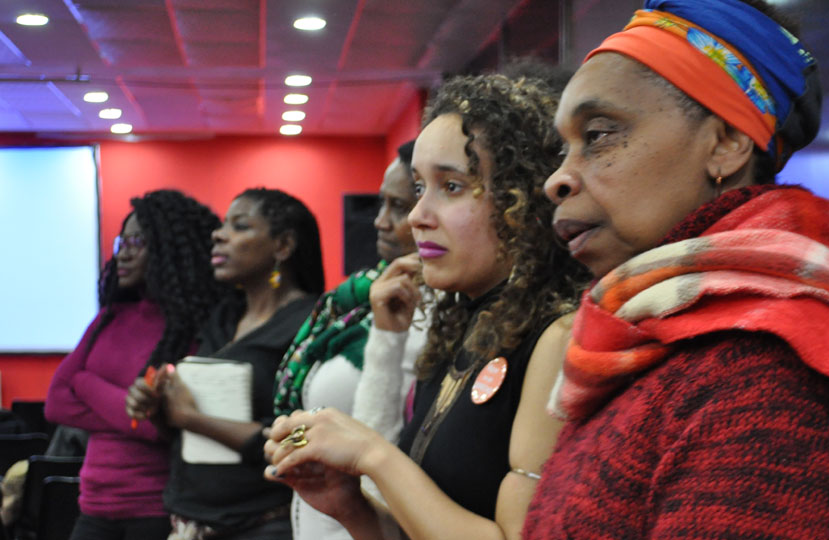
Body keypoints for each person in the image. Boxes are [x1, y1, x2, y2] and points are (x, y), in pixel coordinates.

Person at [520, 1, 829, 539]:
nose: (556, 179)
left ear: (725, 143)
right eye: (565, 148)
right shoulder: (649, 339)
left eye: (599, 134)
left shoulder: (764, 375)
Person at [265, 73, 589, 540]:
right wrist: (351, 508)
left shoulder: (558, 336)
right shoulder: (461, 322)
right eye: (420, 188)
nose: (418, 215)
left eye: (452, 186)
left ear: (523, 199)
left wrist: (373, 456)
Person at [126, 188, 324, 540]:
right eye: (222, 225)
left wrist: (191, 418)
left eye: (240, 226)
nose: (218, 234)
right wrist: (158, 409)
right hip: (190, 520)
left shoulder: (311, 322)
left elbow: (301, 439)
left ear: (283, 246)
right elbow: (186, 428)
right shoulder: (223, 318)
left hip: (262, 523)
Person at [45, 190, 224, 540]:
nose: (123, 252)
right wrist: (128, 411)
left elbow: (158, 427)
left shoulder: (191, 328)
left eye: (137, 241)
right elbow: (56, 402)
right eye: (121, 241)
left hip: (154, 512)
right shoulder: (109, 318)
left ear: (168, 249)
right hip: (92, 508)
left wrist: (84, 382)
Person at [271, 141, 426, 540]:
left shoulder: (429, 314)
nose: (379, 221)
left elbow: (378, 447)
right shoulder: (361, 298)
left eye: (399, 206)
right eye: (381, 204)